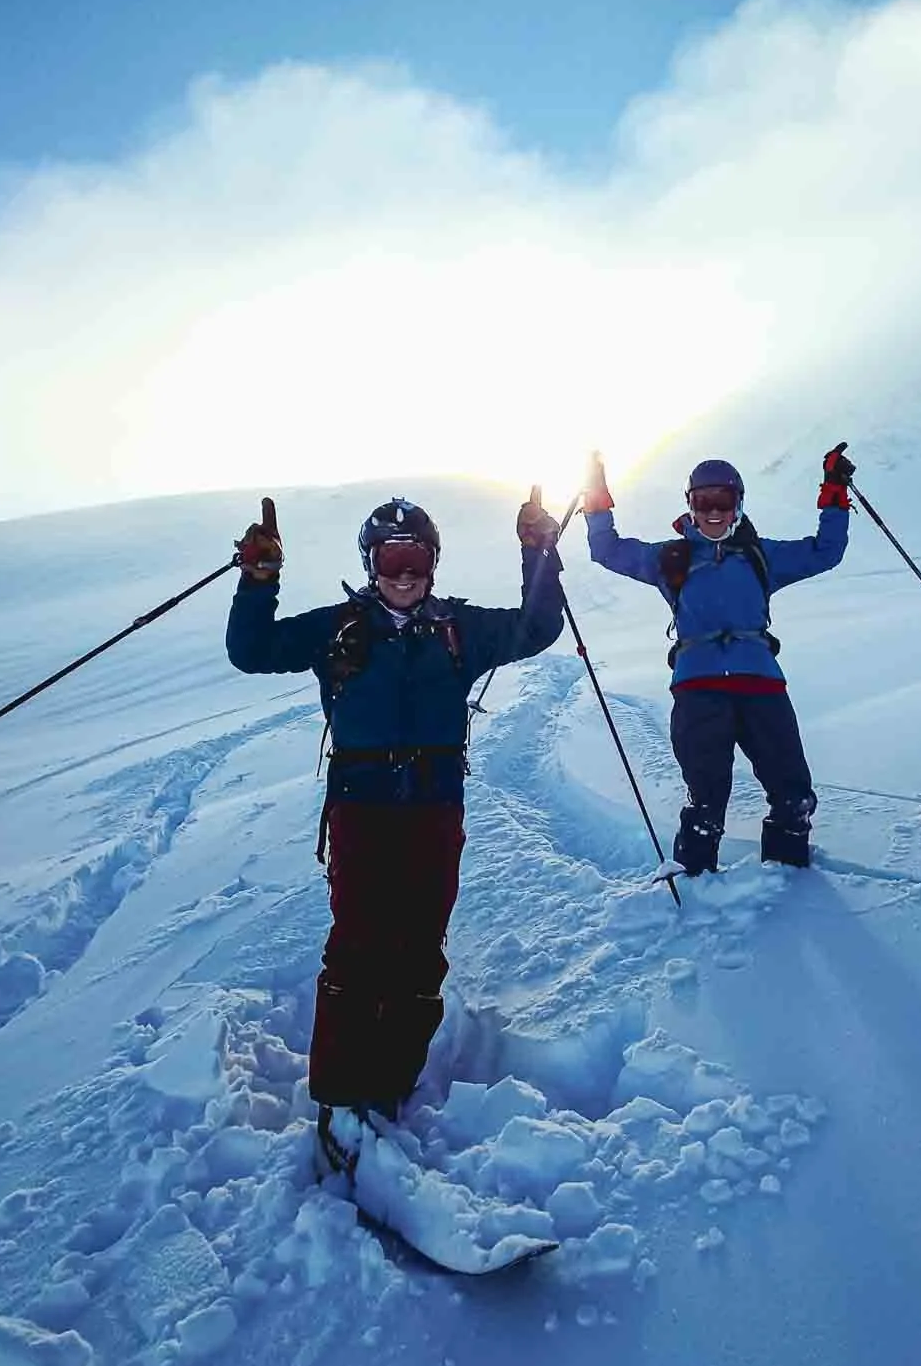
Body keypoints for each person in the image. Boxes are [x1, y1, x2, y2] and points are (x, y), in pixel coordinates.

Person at [225, 488, 564, 1162]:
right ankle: (340, 1098)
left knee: (419, 947)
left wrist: (539, 552)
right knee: (358, 945)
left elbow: (538, 627)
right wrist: (259, 580)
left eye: (415, 559)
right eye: (390, 559)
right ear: (370, 561)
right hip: (362, 809)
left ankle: (390, 1084)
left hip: (436, 811)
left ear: (433, 563)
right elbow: (252, 649)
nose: (403, 574)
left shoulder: (459, 630)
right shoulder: (336, 629)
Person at [583, 445, 855, 875]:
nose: (712, 511)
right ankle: (694, 885)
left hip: (761, 683)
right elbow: (608, 550)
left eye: (722, 502)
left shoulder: (760, 556)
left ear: (738, 505)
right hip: (698, 688)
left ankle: (789, 887)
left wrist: (835, 491)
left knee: (794, 795)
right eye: (701, 501)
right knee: (706, 800)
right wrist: (594, 495)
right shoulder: (671, 557)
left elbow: (826, 551)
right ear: (689, 506)